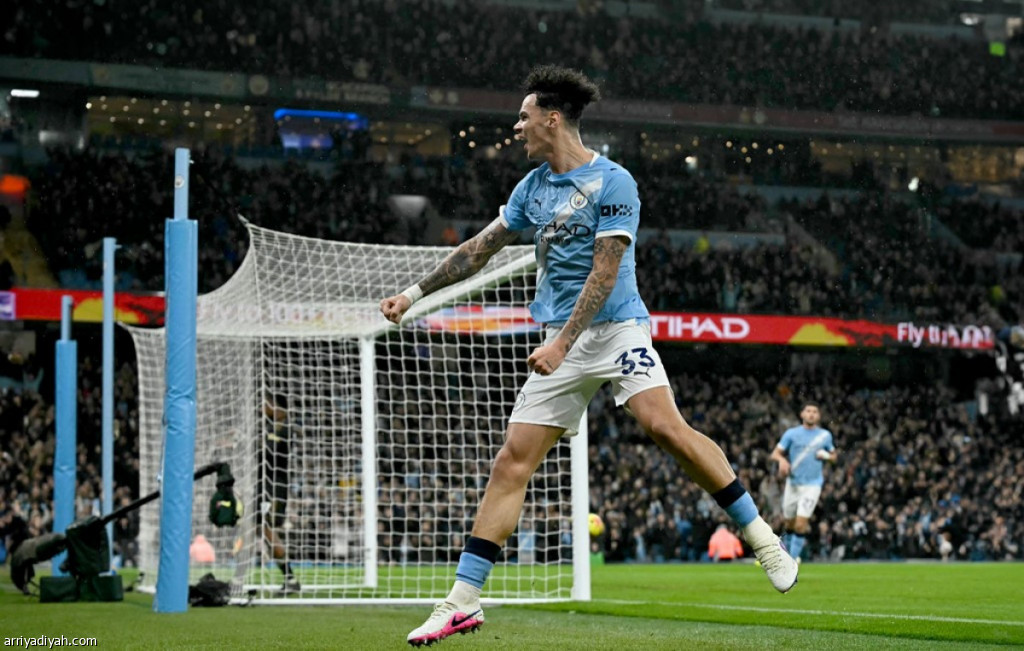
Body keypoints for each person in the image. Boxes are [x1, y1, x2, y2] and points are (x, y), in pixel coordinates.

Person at [380, 64, 798, 647]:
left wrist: (561, 343)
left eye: (524, 116)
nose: (517, 126)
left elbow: (604, 272)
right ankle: (463, 601)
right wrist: (414, 294)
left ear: (552, 119)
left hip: (616, 330)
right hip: (561, 337)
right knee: (511, 462)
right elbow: (479, 249)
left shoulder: (614, 182)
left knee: (665, 428)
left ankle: (762, 538)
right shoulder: (531, 189)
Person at [769, 402, 837, 563]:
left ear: (818, 416)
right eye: (808, 411)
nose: (811, 414)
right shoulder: (791, 434)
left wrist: (827, 456)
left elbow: (834, 457)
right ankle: (787, 555)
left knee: (801, 524)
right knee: (789, 523)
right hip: (793, 484)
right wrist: (782, 461)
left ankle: (791, 561)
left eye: (815, 411)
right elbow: (775, 454)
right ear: (802, 414)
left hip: (812, 485)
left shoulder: (825, 436)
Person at [258, 391, 300, 594]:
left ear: (277, 406)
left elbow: (272, 452)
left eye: (266, 403)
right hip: (265, 485)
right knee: (262, 530)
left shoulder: (286, 429)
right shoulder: (269, 427)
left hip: (275, 487)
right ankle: (289, 578)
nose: (263, 407)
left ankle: (290, 578)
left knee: (266, 529)